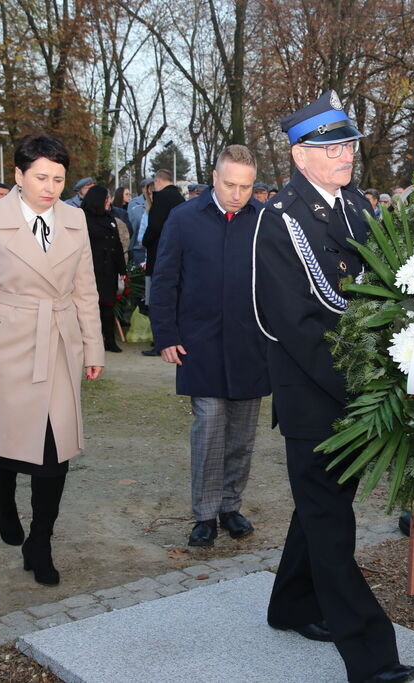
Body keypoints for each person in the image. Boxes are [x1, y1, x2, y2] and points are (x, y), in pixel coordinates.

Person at [254, 90, 414, 683]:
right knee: (331, 526)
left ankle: (290, 604)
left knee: (322, 508)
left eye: (348, 143)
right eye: (332, 147)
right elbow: (294, 326)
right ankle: (370, 656)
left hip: (360, 391)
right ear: (301, 155)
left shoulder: (355, 206)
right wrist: (365, 391)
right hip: (318, 397)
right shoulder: (279, 222)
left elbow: (387, 286)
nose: (346, 153)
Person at [0, 134, 104, 586]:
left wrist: (93, 347)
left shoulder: (75, 220)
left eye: (58, 178)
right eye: (41, 176)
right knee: (2, 440)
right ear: (19, 175)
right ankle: (5, 504)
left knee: (53, 453)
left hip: (57, 343)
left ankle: (40, 540)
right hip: (3, 344)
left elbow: (86, 290)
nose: (50, 186)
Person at [151, 145, 269, 547]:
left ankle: (230, 507)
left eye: (247, 187)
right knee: (209, 431)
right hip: (200, 345)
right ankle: (204, 515)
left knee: (242, 436)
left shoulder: (264, 221)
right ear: (214, 178)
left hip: (251, 346)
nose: (238, 194)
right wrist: (166, 334)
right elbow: (165, 278)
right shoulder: (184, 219)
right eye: (230, 184)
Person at [140, 168, 184, 356]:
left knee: (156, 297)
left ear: (158, 182)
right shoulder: (180, 200)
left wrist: (145, 241)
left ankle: (159, 342)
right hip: (179, 256)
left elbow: (155, 225)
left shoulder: (161, 198)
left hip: (158, 254)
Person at [81, 185, 127, 353]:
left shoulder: (110, 218)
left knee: (108, 307)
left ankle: (110, 340)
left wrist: (122, 270)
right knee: (90, 307)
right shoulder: (83, 218)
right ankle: (88, 342)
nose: (109, 201)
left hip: (109, 270)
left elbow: (117, 245)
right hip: (91, 269)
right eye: (106, 198)